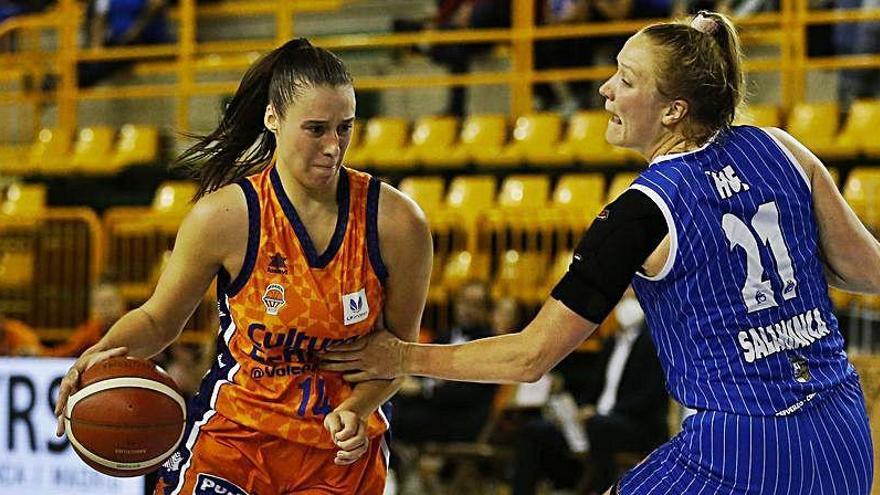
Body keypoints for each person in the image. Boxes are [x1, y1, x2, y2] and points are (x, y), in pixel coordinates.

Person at [323, 11, 877, 494]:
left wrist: (403, 357)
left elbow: (530, 357)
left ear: (672, 112)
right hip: (842, 431)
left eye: (626, 80)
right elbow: (864, 269)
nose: (606, 90)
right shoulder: (780, 147)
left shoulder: (640, 213)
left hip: (740, 447)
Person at [54, 38, 433, 495]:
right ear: (273, 118)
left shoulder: (397, 223)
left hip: (340, 453)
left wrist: (359, 406)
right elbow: (158, 320)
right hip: (236, 440)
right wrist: (97, 356)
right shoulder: (225, 217)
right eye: (316, 129)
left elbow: (399, 351)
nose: (334, 146)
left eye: (344, 128)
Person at [512, 294, 668, 495]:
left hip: (635, 425)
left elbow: (650, 397)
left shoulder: (655, 342)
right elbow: (593, 389)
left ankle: (600, 490)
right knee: (532, 430)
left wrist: (598, 413)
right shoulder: (611, 342)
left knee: (599, 427)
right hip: (595, 422)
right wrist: (574, 410)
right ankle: (552, 485)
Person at [43, 280, 126, 357]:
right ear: (93, 308)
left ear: (122, 303)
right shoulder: (90, 330)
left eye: (110, 302)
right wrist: (40, 353)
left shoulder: (132, 324)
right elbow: (67, 351)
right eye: (101, 304)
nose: (106, 308)